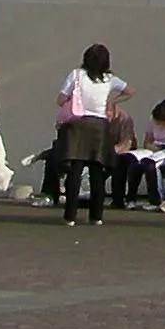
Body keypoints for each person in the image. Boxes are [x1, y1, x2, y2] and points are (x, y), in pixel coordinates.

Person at [58, 44, 129, 226]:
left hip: (76, 125)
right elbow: (130, 90)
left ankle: (70, 216)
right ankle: (96, 216)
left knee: (75, 171)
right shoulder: (110, 79)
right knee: (98, 171)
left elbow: (60, 99)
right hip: (99, 126)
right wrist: (112, 100)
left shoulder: (75, 75)